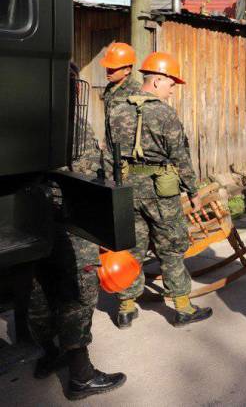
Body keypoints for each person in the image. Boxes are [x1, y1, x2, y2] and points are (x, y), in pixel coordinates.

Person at [28, 65, 126, 400]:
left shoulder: (22, 123)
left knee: (39, 289)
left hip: (28, 220)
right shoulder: (73, 127)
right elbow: (87, 180)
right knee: (77, 295)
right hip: (67, 221)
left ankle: (50, 355)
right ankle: (81, 376)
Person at [105, 52, 211, 329]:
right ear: (157, 81)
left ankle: (126, 308)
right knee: (171, 247)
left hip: (127, 190)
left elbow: (109, 155)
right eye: (171, 84)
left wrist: (112, 189)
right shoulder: (164, 113)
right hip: (160, 191)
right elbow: (180, 157)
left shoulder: (116, 109)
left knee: (131, 247)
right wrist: (193, 191)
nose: (173, 90)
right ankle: (183, 308)